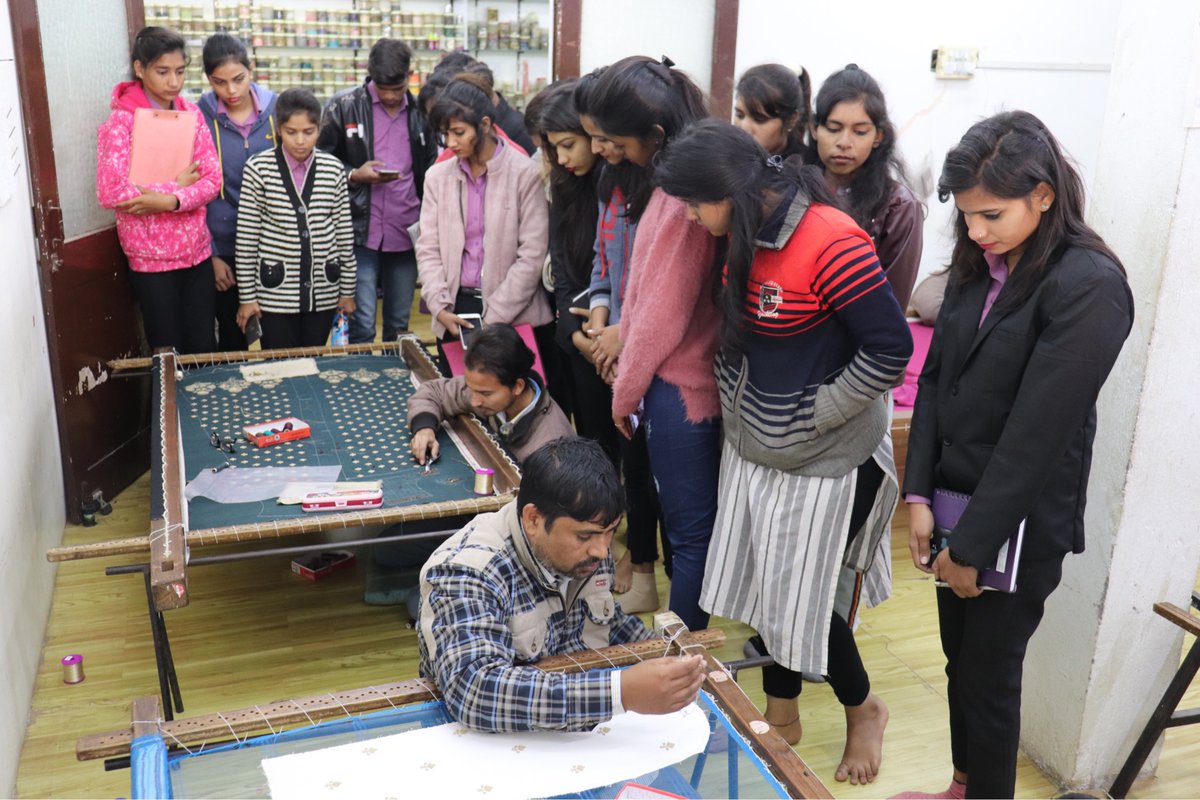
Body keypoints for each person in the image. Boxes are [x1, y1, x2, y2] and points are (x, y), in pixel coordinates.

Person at [656, 119, 911, 785]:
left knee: (807, 602)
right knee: (771, 591)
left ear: (729, 193)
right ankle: (783, 712)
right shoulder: (741, 234)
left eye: (692, 202)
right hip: (759, 449)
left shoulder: (830, 238)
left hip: (826, 457)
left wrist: (818, 414)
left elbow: (890, 350)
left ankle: (864, 708)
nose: (688, 216)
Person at [893, 111, 1134, 800]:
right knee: (956, 662)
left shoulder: (1088, 284)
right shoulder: (980, 264)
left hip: (1017, 521)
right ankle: (963, 785)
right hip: (953, 501)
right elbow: (935, 382)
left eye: (991, 214)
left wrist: (970, 546)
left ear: (1044, 194)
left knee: (988, 678)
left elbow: (1037, 435)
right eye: (966, 216)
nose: (975, 231)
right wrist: (917, 497)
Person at [418, 436, 707, 732]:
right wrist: (620, 692)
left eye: (611, 531)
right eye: (585, 536)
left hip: (574, 737)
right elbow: (475, 691)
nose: (602, 551)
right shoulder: (467, 572)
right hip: (492, 747)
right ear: (533, 518)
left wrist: (671, 662)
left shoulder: (590, 546)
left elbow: (606, 620)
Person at [583, 56, 719, 633]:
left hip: (682, 389)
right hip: (677, 383)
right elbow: (641, 298)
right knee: (690, 533)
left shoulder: (679, 195)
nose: (604, 151)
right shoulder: (672, 185)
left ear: (656, 135)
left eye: (612, 140)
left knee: (690, 537)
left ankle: (682, 662)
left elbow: (661, 316)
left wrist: (624, 393)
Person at [95, 26, 221, 354]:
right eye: (163, 72)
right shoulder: (121, 123)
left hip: (197, 255)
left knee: (204, 346)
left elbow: (212, 179)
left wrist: (169, 199)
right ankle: (171, 409)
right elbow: (112, 191)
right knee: (167, 353)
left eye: (180, 72)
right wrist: (175, 186)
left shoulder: (191, 114)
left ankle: (205, 407)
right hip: (151, 262)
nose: (174, 82)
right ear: (140, 68)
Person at [416, 73, 551, 374]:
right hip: (455, 313)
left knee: (515, 410)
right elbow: (428, 248)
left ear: (486, 125)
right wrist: (439, 306)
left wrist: (493, 318)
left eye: (459, 133)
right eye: (444, 134)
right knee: (462, 410)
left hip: (514, 315)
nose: (450, 143)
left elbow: (531, 256)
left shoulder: (524, 174)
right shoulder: (438, 177)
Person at [317, 38, 437, 344]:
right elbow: (319, 160)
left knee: (399, 323)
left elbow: (432, 164)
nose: (392, 97)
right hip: (359, 230)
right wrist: (354, 174)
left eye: (398, 90)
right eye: (384, 90)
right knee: (363, 322)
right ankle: (363, 382)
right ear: (370, 75)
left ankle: (397, 384)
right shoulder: (344, 106)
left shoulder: (422, 112)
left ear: (409, 76)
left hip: (407, 228)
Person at [234, 88, 356, 349]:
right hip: (274, 293)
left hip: (323, 292)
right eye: (291, 132)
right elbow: (246, 240)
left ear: (319, 129)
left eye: (308, 132)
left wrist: (347, 291)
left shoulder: (333, 169)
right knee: (280, 365)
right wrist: (247, 297)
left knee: (314, 362)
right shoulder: (258, 169)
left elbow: (344, 235)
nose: (300, 141)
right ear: (279, 129)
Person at [808, 64, 922, 311]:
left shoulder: (899, 207)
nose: (844, 143)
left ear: (878, 136)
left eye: (859, 132)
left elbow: (891, 306)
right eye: (833, 129)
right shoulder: (794, 191)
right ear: (814, 129)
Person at [198, 33, 279, 352]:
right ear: (208, 79)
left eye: (238, 79)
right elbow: (195, 189)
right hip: (225, 247)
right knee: (233, 338)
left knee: (277, 338)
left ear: (252, 69)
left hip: (274, 244)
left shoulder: (277, 110)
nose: (230, 91)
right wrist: (213, 252)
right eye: (219, 82)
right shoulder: (199, 117)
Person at [408, 323, 573, 464]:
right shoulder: (486, 387)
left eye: (485, 394)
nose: (474, 401)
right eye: (471, 388)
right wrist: (424, 428)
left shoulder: (551, 449)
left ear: (517, 386)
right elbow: (434, 391)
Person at [733, 63, 811, 159]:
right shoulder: (723, 158)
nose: (743, 128)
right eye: (739, 115)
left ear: (791, 120)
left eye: (759, 119)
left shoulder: (805, 170)